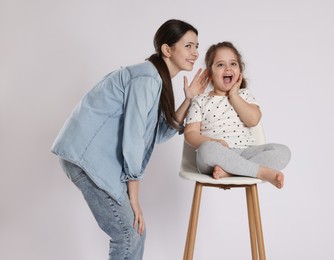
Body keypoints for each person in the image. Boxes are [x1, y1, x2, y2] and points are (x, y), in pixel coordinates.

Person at [51, 19, 208, 259]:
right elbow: (133, 138)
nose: (195, 53)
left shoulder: (156, 80)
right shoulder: (146, 79)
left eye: (196, 46)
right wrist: (134, 198)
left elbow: (157, 135)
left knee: (132, 234)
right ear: (167, 49)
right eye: (188, 46)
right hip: (86, 158)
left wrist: (188, 99)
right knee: (129, 234)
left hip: (88, 159)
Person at [184, 41, 291, 189]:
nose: (228, 68)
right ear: (209, 74)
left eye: (233, 64)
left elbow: (253, 120)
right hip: (215, 158)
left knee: (283, 152)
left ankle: (231, 173)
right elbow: (190, 133)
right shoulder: (200, 100)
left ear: (240, 71)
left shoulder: (244, 95)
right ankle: (260, 172)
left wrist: (234, 95)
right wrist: (213, 142)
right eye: (220, 65)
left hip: (245, 153)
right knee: (206, 149)